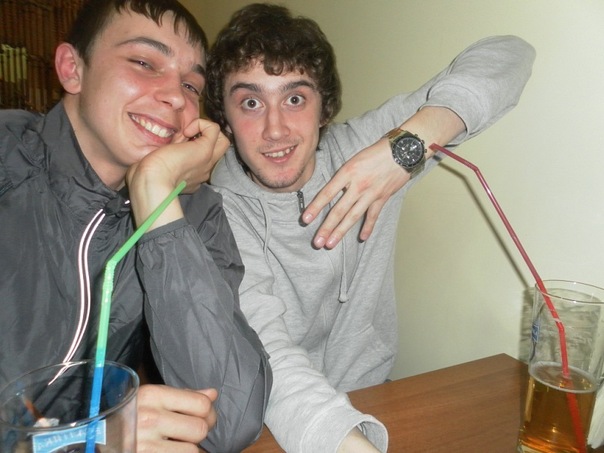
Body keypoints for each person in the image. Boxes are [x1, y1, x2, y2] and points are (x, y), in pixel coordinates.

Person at [204, 3, 535, 452]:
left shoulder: (366, 149)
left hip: (374, 393)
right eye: (250, 102)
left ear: (324, 108)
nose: (275, 129)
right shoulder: (215, 213)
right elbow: (266, 352)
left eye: (295, 98)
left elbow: (510, 53)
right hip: (275, 416)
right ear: (225, 119)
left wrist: (405, 148)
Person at [0, 1, 271, 452]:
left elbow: (231, 418)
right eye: (144, 63)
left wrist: (154, 189)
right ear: (72, 69)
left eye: (191, 85)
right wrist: (84, 439)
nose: (177, 97)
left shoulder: (191, 212)